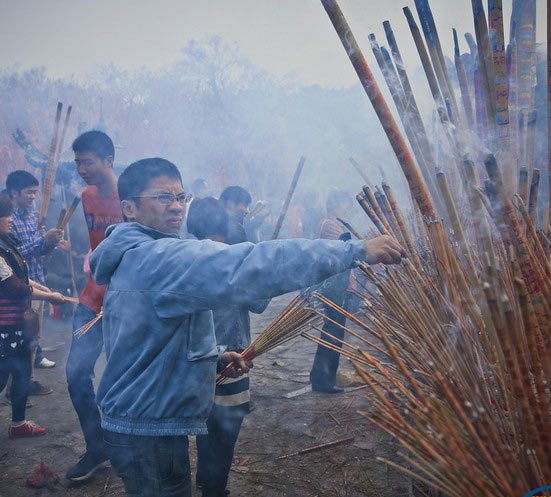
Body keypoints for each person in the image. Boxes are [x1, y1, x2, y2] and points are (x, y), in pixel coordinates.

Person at [89, 158, 405, 497]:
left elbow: (150, 341)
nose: (177, 206)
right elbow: (251, 263)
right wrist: (354, 250)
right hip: (145, 433)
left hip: (142, 424)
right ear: (129, 208)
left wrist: (213, 358)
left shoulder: (139, 254)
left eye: (181, 196)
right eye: (164, 197)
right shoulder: (158, 258)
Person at [0, 193, 65, 458]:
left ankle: (18, 424)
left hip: (14, 322)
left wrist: (46, 289)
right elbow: (14, 288)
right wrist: (50, 296)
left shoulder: (4, 241)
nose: (10, 220)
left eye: (9, 214)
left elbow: (22, 276)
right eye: (3, 216)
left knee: (21, 375)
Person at [187, 197, 268, 497]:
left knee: (207, 424)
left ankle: (206, 480)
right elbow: (259, 304)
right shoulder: (233, 269)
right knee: (226, 430)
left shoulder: (189, 258)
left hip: (201, 357)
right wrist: (262, 276)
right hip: (232, 358)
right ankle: (215, 488)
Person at [64, 130, 123, 482]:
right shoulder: (85, 196)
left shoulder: (129, 198)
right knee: (75, 374)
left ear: (109, 161)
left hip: (124, 304)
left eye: (87, 161)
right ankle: (96, 446)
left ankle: (127, 445)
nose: (81, 169)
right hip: (91, 298)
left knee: (119, 377)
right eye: (77, 162)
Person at [6, 170, 63, 390]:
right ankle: (18, 385)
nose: (32, 197)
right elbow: (13, 254)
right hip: (20, 287)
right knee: (21, 338)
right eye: (29, 193)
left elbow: (38, 251)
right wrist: (42, 241)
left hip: (37, 279)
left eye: (34, 193)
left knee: (33, 336)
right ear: (14, 192)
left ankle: (27, 380)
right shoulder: (8, 219)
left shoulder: (32, 215)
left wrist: (49, 243)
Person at [309, 190, 356, 393]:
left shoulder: (330, 223)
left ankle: (323, 378)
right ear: (338, 204)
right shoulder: (331, 225)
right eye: (347, 203)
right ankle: (323, 380)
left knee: (333, 331)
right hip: (334, 289)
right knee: (332, 332)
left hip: (335, 288)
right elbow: (343, 258)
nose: (349, 208)